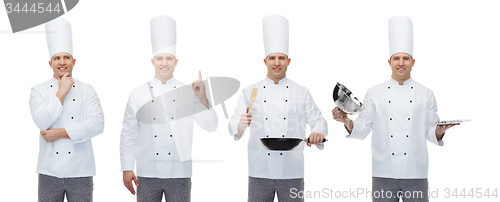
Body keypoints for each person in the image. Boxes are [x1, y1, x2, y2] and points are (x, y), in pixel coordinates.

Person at [332, 16, 459, 202]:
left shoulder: (426, 93)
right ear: (389, 61)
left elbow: (430, 132)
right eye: (397, 58)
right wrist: (346, 121)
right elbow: (363, 128)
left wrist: (439, 131)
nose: (401, 63)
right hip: (383, 171)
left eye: (405, 58)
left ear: (413, 62)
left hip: (416, 173)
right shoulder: (374, 93)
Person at [228, 14, 328, 202]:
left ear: (288, 61)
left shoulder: (301, 92)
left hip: (292, 170)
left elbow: (319, 121)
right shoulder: (251, 91)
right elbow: (233, 126)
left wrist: (317, 133)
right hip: (259, 169)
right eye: (272, 58)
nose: (276, 63)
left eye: (281, 58)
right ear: (264, 61)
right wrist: (241, 124)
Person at [120, 15, 218, 202]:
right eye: (160, 58)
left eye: (169, 58)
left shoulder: (189, 92)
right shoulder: (137, 93)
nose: (164, 63)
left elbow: (211, 125)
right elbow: (128, 134)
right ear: (152, 61)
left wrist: (203, 96)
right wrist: (126, 168)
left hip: (179, 173)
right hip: (147, 172)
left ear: (176, 61)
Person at [29, 17, 104, 202]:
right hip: (49, 171)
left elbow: (97, 124)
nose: (62, 62)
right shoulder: (38, 90)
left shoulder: (87, 89)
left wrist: (61, 133)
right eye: (57, 58)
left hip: (81, 170)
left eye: (66, 57)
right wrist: (61, 91)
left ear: (73, 61)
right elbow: (41, 121)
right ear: (50, 63)